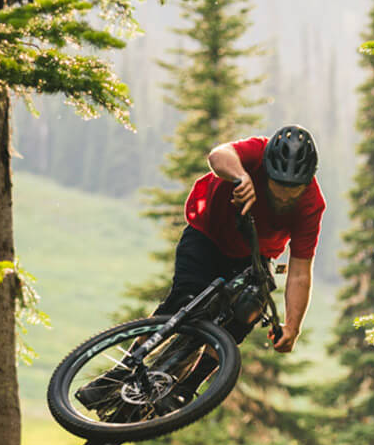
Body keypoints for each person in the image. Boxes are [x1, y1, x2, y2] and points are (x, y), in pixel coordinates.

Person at [78, 124, 323, 415]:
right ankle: (118, 374)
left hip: (252, 256)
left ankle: (186, 387)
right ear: (267, 169)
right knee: (183, 299)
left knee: (246, 312)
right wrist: (241, 176)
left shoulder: (311, 204)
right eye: (278, 187)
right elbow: (219, 155)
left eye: (292, 191)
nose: (284, 197)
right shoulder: (257, 152)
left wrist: (292, 327)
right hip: (206, 233)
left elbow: (299, 272)